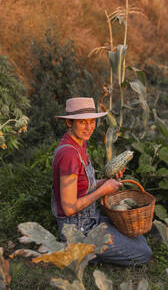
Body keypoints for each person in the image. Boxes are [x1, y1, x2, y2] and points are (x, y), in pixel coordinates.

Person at [52, 97, 152, 266]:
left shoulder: (79, 145)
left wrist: (104, 182)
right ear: (69, 122)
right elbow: (68, 208)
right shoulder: (68, 154)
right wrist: (102, 191)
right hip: (78, 230)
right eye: (82, 122)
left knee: (139, 240)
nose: (89, 127)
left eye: (92, 121)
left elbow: (81, 186)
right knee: (142, 254)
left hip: (91, 220)